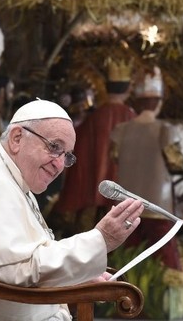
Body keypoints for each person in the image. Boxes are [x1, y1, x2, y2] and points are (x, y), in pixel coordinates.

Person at [0, 99, 144, 321]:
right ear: (17, 138)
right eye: (54, 147)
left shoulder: (11, 177)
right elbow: (19, 270)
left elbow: (23, 261)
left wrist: (75, 279)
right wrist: (100, 239)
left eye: (66, 155)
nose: (59, 164)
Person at [109, 66, 183, 270]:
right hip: (158, 207)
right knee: (164, 265)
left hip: (126, 206)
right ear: (159, 103)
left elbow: (114, 158)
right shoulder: (165, 130)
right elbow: (177, 163)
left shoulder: (120, 131)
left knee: (125, 263)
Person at [51, 58, 137, 235]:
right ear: (128, 88)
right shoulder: (131, 118)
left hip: (92, 193)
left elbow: (79, 154)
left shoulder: (94, 117)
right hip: (120, 192)